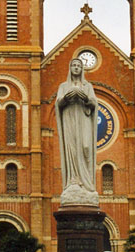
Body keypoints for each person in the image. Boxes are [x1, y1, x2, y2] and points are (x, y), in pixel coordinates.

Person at [55, 58, 98, 203]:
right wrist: (67, 97)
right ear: (70, 68)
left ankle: (86, 183)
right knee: (72, 149)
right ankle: (73, 180)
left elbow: (93, 103)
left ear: (82, 69)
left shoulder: (87, 86)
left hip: (83, 119)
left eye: (79, 66)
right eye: (73, 65)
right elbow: (58, 103)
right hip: (69, 120)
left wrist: (85, 97)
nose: (76, 68)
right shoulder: (63, 86)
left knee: (85, 147)